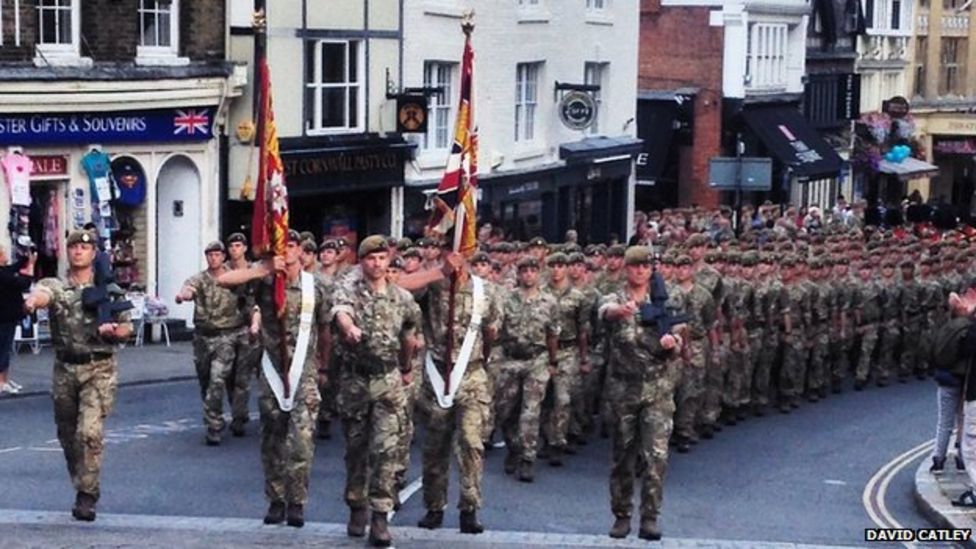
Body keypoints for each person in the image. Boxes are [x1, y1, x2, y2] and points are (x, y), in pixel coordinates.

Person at [217, 229, 331, 528]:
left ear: (300, 250)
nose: (288, 251)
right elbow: (223, 280)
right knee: (273, 440)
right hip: (271, 372)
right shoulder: (264, 283)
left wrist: (324, 367)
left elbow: (326, 328)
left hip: (303, 372)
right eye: (282, 246)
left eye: (292, 246)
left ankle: (297, 501)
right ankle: (276, 499)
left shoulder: (315, 285)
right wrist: (264, 268)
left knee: (302, 441)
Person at [23, 229, 133, 521]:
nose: (78, 251)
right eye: (73, 247)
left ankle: (87, 494)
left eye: (84, 248)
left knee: (89, 432)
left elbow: (127, 329)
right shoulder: (58, 286)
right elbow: (45, 293)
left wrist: (113, 332)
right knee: (68, 434)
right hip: (65, 368)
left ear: (94, 253)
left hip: (99, 367)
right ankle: (82, 481)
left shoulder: (110, 291)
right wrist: (33, 301)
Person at [397, 245, 499, 534]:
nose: (455, 258)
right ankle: (434, 506)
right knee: (435, 446)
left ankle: (470, 507)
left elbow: (491, 331)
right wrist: (438, 272)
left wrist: (482, 359)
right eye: (448, 252)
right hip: (437, 374)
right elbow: (398, 286)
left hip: (471, 375)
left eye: (461, 252)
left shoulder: (485, 291)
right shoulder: (432, 285)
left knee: (470, 443)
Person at [331, 235, 422, 546]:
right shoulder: (350, 288)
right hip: (356, 380)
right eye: (371, 258)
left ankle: (380, 516)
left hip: (388, 380)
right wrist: (349, 328)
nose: (378, 263)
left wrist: (407, 366)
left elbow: (410, 335)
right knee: (356, 449)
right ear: (362, 261)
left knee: (386, 450)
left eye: (382, 258)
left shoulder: (403, 298)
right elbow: (341, 311)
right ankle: (357, 505)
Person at [598, 246, 684, 541]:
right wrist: (619, 312)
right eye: (635, 266)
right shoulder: (614, 296)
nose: (640, 271)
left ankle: (650, 516)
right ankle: (622, 515)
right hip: (624, 388)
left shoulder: (666, 299)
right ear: (627, 269)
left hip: (658, 388)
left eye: (645, 266)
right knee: (623, 455)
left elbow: (681, 337)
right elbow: (604, 311)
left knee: (656, 457)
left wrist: (673, 342)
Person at [495, 256, 559, 482]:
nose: (529, 275)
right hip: (511, 359)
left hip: (537, 360)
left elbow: (552, 334)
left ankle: (527, 459)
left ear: (538, 273)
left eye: (533, 270)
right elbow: (496, 330)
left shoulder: (549, 301)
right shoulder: (507, 299)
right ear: (519, 274)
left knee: (530, 411)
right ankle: (513, 447)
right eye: (525, 271)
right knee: (505, 410)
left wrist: (553, 362)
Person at [0, 244, 34, 394]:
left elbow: (12, 268)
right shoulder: (3, 276)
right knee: (3, 349)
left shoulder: (4, 272)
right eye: (3, 253)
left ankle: (4, 379)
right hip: (5, 317)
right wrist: (31, 266)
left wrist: (25, 258)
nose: (6, 256)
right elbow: (24, 283)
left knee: (5, 349)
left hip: (8, 316)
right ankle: (1, 381)